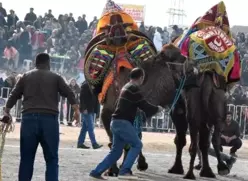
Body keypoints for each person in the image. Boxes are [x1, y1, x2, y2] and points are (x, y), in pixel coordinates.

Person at [3, 53, 80, 181]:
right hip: (49, 120)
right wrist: (76, 110)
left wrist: (6, 111)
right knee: (51, 159)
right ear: (48, 64)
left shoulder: (26, 77)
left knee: (26, 159)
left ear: (35, 63)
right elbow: (69, 92)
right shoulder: (56, 77)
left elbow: (13, 94)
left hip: (28, 120)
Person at [89, 68, 163, 180]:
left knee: (116, 152)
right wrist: (157, 109)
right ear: (141, 78)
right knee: (137, 144)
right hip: (123, 123)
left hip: (115, 123)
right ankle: (125, 170)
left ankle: (96, 172)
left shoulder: (126, 87)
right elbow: (145, 105)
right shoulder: (134, 88)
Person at [77, 81, 103, 149]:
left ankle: (80, 143)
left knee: (85, 128)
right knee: (91, 127)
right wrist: (84, 108)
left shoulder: (94, 85)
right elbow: (82, 97)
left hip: (91, 109)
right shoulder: (85, 85)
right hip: (87, 109)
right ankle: (94, 143)